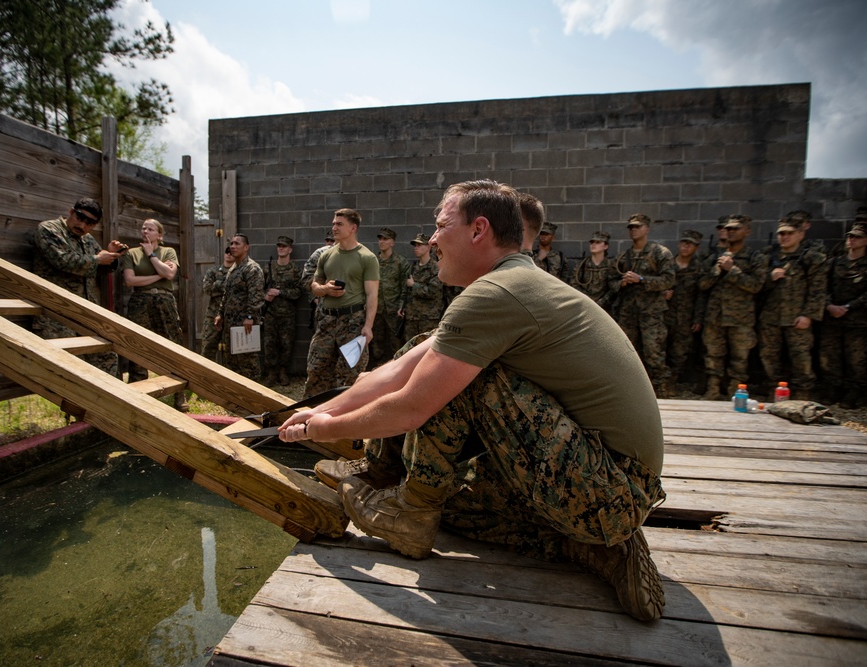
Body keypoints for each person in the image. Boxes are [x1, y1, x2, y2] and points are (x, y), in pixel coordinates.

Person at [279, 180, 666, 622]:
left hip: (610, 486)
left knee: (465, 379)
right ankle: (597, 547)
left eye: (441, 225)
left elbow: (411, 405)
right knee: (457, 501)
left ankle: (409, 513)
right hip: (606, 486)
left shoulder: (495, 294)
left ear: (478, 230)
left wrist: (319, 430)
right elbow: (396, 369)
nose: (433, 239)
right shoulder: (512, 283)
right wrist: (323, 409)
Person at [32, 197, 122, 376]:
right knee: (71, 370)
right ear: (71, 212)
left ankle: (102, 403)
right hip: (56, 313)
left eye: (90, 223)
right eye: (80, 218)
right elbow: (63, 260)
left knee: (107, 357)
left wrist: (111, 256)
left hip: (85, 311)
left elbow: (100, 267)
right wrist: (98, 259)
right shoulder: (49, 230)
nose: (83, 226)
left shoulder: (87, 239)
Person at [303, 209, 380, 398]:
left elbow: (372, 295)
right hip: (326, 321)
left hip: (353, 322)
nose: (334, 228)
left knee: (351, 375)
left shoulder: (367, 258)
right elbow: (314, 285)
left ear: (353, 228)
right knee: (316, 371)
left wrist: (368, 327)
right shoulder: (326, 256)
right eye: (333, 223)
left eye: (339, 224)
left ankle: (348, 418)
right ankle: (311, 414)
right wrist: (325, 289)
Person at [697, 215, 768, 399]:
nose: (731, 232)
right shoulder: (714, 257)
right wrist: (717, 270)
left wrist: (733, 270)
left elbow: (756, 286)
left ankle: (735, 393)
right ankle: (713, 391)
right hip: (715, 317)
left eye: (736, 229)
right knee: (713, 355)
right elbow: (702, 285)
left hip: (740, 318)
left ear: (747, 231)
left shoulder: (755, 257)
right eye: (728, 229)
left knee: (740, 359)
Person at [120, 218, 187, 411]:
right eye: (143, 228)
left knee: (172, 345)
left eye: (150, 229)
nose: (145, 231)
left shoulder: (168, 252)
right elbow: (130, 280)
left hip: (164, 301)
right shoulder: (131, 253)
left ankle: (179, 393)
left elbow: (170, 274)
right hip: (140, 302)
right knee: (137, 345)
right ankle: (137, 393)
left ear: (159, 235)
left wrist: (151, 256)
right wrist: (159, 274)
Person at [757, 220, 827, 401]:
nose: (785, 237)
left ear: (800, 235)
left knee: (801, 358)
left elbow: (818, 290)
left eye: (789, 233)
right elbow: (754, 285)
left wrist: (808, 315)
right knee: (769, 356)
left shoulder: (812, 258)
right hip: (770, 317)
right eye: (781, 233)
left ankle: (802, 395)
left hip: (797, 318)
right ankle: (774, 393)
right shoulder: (767, 256)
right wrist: (769, 278)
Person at [820, 222, 867, 407]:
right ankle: (833, 389)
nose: (851, 240)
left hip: (859, 321)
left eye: (856, 237)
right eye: (849, 236)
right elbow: (822, 286)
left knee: (857, 360)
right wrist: (830, 306)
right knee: (830, 357)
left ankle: (855, 393)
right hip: (832, 318)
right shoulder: (834, 262)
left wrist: (848, 306)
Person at [614, 214, 676, 397]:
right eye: (631, 227)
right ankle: (633, 392)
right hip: (629, 312)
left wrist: (641, 279)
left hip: (651, 313)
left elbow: (669, 280)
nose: (633, 230)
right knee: (628, 354)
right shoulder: (624, 256)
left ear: (647, 229)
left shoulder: (660, 253)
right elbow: (611, 281)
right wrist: (622, 283)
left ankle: (661, 392)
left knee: (654, 353)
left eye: (637, 227)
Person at [215, 234, 265, 379]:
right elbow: (227, 294)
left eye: (237, 244)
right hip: (231, 324)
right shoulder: (233, 269)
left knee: (247, 361)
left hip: (245, 324)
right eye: (231, 243)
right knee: (231, 360)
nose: (232, 246)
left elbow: (256, 296)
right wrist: (220, 314)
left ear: (246, 247)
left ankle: (253, 395)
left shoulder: (252, 268)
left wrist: (249, 316)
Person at [663, 230, 706, 388]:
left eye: (690, 244)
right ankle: (661, 382)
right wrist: (662, 293)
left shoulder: (699, 268)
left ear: (696, 248)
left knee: (680, 352)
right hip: (665, 314)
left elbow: (701, 295)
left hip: (686, 317)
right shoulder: (668, 265)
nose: (685, 246)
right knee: (660, 348)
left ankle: (672, 381)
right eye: (683, 242)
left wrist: (698, 318)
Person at [262, 235, 302, 385]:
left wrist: (280, 293)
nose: (281, 248)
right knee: (269, 344)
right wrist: (266, 296)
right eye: (279, 246)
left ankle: (283, 372)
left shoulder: (295, 270)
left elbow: (298, 292)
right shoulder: (268, 268)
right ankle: (271, 373)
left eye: (284, 246)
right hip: (270, 314)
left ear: (290, 249)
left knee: (286, 344)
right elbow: (259, 288)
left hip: (288, 315)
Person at [370, 227, 409, 369]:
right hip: (377, 309)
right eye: (380, 238)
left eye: (385, 239)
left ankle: (397, 370)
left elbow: (404, 286)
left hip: (394, 310)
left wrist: (401, 306)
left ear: (392, 242)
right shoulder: (372, 262)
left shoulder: (400, 262)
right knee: (376, 343)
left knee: (396, 343)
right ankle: (377, 370)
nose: (382, 242)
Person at [400, 233, 444, 339]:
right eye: (415, 245)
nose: (416, 248)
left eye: (419, 245)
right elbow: (405, 289)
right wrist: (401, 306)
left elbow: (433, 291)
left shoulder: (435, 267)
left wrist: (414, 285)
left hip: (428, 317)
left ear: (428, 247)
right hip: (412, 317)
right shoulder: (413, 267)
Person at [570, 231, 619, 312]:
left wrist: (602, 302)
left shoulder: (611, 265)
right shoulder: (582, 264)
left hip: (605, 308)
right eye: (592, 242)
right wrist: (587, 300)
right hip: (585, 306)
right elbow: (574, 283)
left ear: (606, 246)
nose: (593, 245)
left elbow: (614, 287)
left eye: (598, 242)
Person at [201, 248, 235, 363]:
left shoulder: (239, 272)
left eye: (231, 252)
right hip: (213, 315)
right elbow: (207, 289)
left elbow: (238, 291)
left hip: (232, 316)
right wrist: (226, 285)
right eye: (227, 252)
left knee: (232, 351)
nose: (229, 254)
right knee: (208, 348)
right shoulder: (213, 271)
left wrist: (217, 285)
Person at [301, 229, 336, 331]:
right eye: (328, 241)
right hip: (322, 307)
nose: (330, 244)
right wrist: (315, 296)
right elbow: (306, 279)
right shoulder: (319, 254)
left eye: (332, 241)